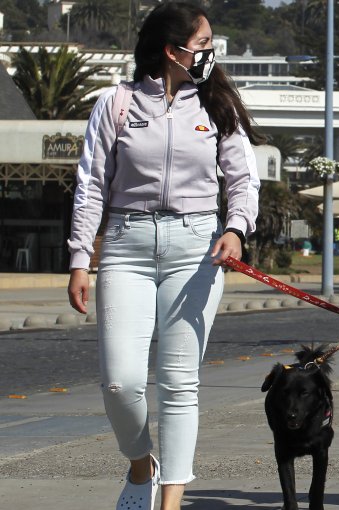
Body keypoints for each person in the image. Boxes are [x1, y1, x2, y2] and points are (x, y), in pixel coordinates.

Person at [65, 3, 261, 509]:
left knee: (179, 384)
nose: (210, 55)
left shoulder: (217, 108)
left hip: (196, 250)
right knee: (119, 381)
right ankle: (140, 465)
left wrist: (236, 229)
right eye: (202, 46)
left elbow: (242, 180)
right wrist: (79, 258)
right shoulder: (117, 104)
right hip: (126, 245)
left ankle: (170, 500)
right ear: (172, 52)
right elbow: (90, 185)